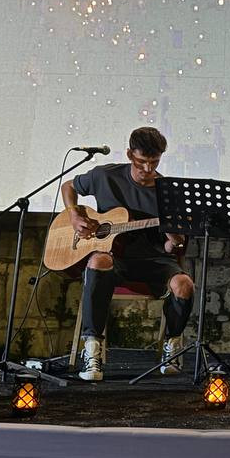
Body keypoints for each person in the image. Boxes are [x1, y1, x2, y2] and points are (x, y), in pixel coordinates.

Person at [61, 127, 193, 381]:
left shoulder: (167, 193)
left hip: (154, 260)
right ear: (130, 154)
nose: (148, 169)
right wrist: (74, 214)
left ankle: (173, 346)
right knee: (98, 260)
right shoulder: (105, 176)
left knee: (184, 284)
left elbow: (171, 248)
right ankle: (92, 350)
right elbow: (69, 186)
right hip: (115, 258)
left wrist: (175, 238)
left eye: (154, 162)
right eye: (142, 162)